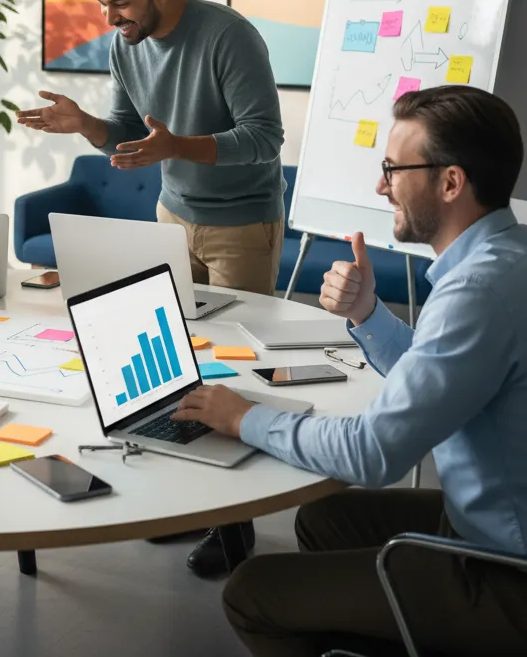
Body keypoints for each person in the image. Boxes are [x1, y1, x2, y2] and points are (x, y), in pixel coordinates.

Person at [173, 85, 527, 656]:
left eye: (392, 169)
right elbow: (440, 375)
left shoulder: (476, 291)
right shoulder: (509, 256)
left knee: (251, 593)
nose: (380, 186)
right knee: (324, 519)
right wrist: (366, 312)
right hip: (495, 521)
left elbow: (372, 453)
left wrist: (243, 417)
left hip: (505, 573)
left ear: (451, 182)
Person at [18, 0, 285, 575]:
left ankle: (235, 529)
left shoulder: (228, 35)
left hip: (240, 223)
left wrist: (178, 147)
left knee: (232, 371)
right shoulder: (124, 46)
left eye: (121, 4)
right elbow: (133, 136)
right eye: (103, 6)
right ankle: (188, 508)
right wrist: (84, 124)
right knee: (168, 366)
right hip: (173, 215)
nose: (111, 19)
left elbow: (265, 137)